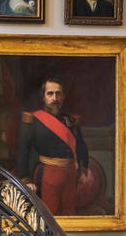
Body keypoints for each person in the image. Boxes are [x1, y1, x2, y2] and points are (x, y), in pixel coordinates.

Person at [15, 76, 90, 217]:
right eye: (50, 93)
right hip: (48, 175)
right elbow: (23, 150)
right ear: (43, 97)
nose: (54, 98)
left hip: (70, 175)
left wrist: (83, 168)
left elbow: (81, 146)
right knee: (50, 215)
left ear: (63, 97)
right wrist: (25, 179)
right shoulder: (33, 120)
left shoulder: (70, 120)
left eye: (58, 93)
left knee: (69, 213)